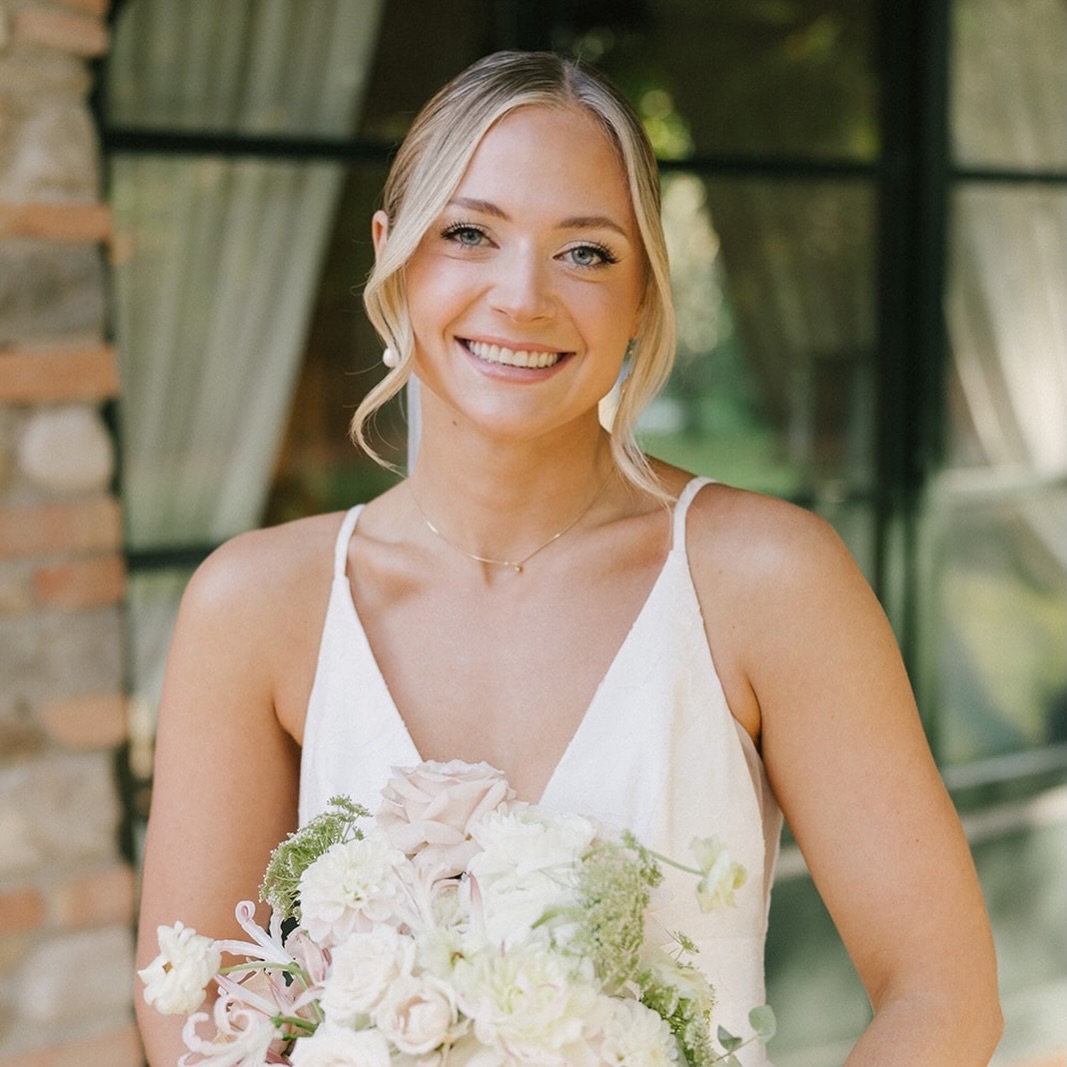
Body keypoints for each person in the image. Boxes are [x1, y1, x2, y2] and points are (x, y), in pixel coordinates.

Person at [134, 50, 1002, 1066]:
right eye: (468, 234)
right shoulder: (254, 605)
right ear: (393, 254)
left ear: (642, 292)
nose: (521, 296)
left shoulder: (765, 579)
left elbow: (939, 993)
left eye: (584, 252)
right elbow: (191, 1014)